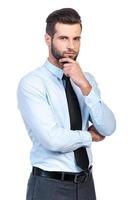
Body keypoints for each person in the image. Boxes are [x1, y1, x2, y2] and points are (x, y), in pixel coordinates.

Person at [17, 8, 116, 200]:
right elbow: (52, 139)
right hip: (50, 186)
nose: (71, 46)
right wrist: (89, 136)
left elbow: (109, 126)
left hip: (86, 184)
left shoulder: (85, 80)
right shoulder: (32, 83)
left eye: (76, 39)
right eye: (63, 38)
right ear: (48, 39)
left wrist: (85, 86)